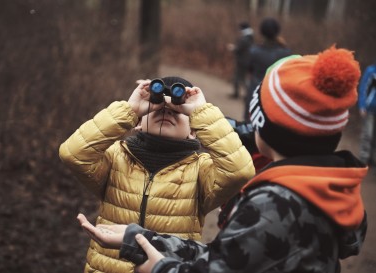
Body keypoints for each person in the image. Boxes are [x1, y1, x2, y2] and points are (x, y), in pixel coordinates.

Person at [77, 47, 368, 273]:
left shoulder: (271, 201)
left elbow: (238, 174)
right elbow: (74, 154)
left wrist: (161, 266)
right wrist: (141, 238)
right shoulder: (324, 190)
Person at [59, 76, 255, 273]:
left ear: (193, 132)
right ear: (137, 122)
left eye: (177, 112)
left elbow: (239, 170)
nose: (167, 111)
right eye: (157, 108)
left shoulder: (201, 171)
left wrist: (201, 113)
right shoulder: (115, 158)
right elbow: (74, 153)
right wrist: (130, 110)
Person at [243, 17, 291, 121]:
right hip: (275, 95)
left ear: (262, 32)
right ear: (277, 32)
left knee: (248, 125)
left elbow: (248, 69)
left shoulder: (254, 51)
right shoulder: (286, 52)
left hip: (255, 92)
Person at [227, 21, 254, 99]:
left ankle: (239, 94)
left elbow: (239, 48)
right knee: (243, 78)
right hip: (247, 61)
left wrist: (233, 48)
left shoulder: (245, 38)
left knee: (239, 78)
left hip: (242, 61)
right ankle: (246, 94)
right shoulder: (251, 37)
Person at [358, 62, 376, 165]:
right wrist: (362, 105)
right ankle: (364, 158)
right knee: (367, 134)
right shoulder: (371, 70)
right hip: (369, 108)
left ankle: (372, 158)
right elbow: (363, 88)